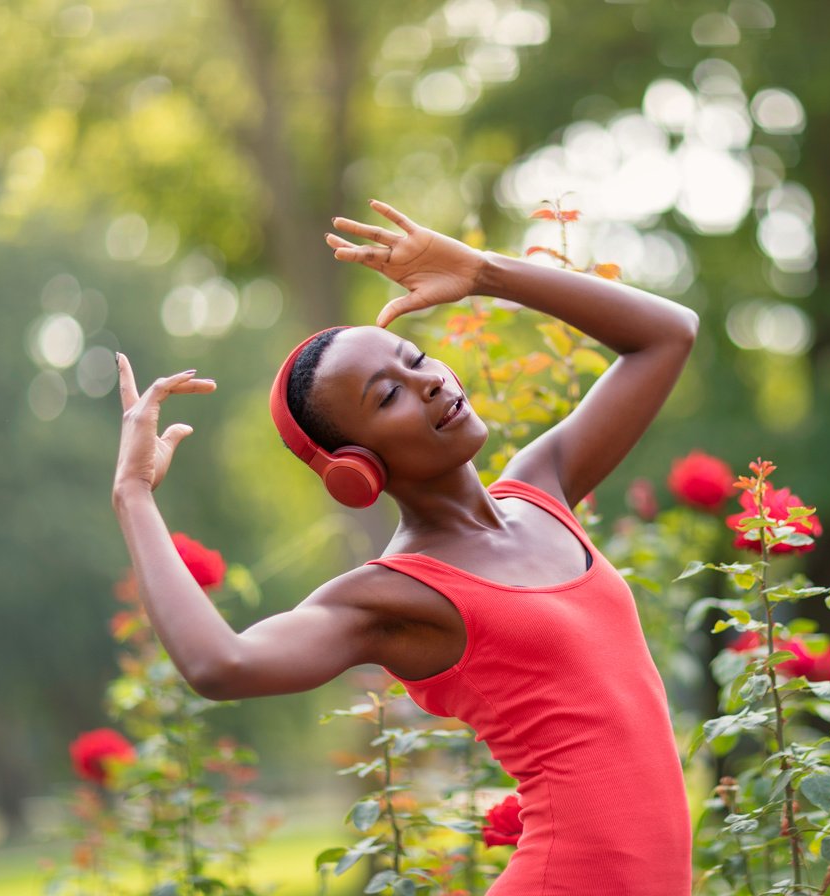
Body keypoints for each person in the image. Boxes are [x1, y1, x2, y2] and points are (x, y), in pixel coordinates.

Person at [113, 200, 699, 895]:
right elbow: (220, 664)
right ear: (353, 468)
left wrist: (482, 272)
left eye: (416, 357)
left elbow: (669, 334)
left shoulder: (544, 489)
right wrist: (135, 494)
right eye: (389, 393)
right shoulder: (395, 594)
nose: (429, 380)